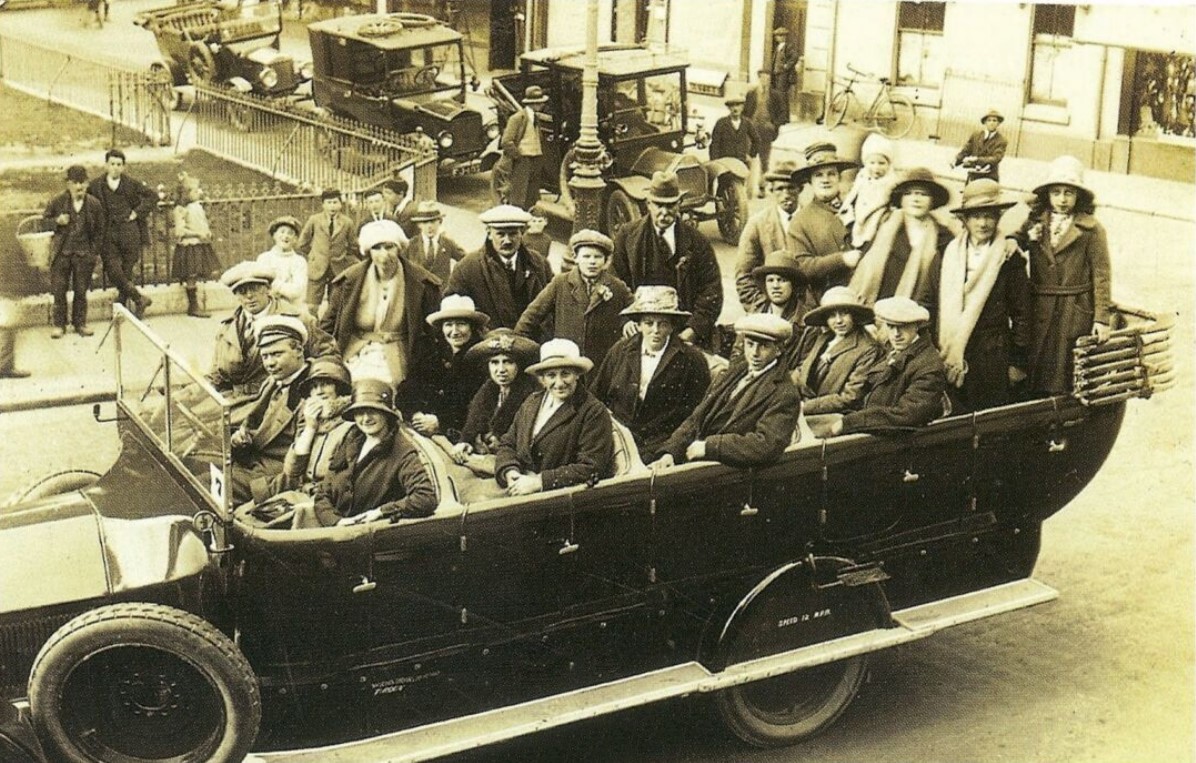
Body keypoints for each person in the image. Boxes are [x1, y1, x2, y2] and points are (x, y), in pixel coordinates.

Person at [1007, 155, 1112, 396]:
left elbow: (1102, 275)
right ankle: (1037, 408)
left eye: (1069, 193)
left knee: (1064, 365)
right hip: (1040, 302)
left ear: (1079, 196)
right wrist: (1013, 241)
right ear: (1047, 196)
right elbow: (1018, 237)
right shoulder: (1037, 221)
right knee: (1037, 358)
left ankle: (1063, 412)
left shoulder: (1091, 230)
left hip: (1073, 307)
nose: (1062, 200)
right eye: (1056, 193)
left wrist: (1101, 318)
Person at [652, 313, 802, 469]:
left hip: (733, 472)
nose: (755, 353)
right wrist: (670, 452)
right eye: (750, 344)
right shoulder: (735, 373)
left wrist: (710, 447)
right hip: (700, 462)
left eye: (763, 346)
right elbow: (697, 418)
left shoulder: (784, 393)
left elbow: (766, 445)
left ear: (778, 350)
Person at [590, 286, 711, 463]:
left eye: (662, 323)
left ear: (672, 326)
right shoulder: (620, 351)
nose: (655, 330)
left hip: (662, 447)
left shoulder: (691, 359)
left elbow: (699, 415)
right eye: (648, 323)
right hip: (618, 441)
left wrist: (671, 450)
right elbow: (596, 396)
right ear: (638, 324)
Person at [938, 179, 1030, 413]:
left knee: (987, 417)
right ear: (965, 220)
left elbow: (1023, 314)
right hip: (952, 349)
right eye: (976, 216)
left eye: (989, 216)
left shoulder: (1009, 258)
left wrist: (1017, 363)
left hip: (992, 354)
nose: (983, 223)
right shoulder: (948, 253)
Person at [208, 262, 335, 424]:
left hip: (272, 401)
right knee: (179, 415)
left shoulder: (297, 320)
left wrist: (313, 392)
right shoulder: (228, 327)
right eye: (242, 291)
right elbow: (215, 374)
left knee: (214, 432)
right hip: (230, 398)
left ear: (268, 289)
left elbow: (327, 358)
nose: (249, 296)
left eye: (254, 288)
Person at [300, 378, 437, 527]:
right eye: (359, 412)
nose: (366, 419)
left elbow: (425, 498)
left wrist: (381, 512)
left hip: (370, 535)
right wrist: (336, 521)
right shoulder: (352, 440)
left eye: (373, 411)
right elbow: (323, 493)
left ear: (386, 413)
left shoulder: (402, 451)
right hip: (336, 529)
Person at [321, 219, 441, 388]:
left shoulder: (422, 283)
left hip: (400, 354)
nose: (383, 255)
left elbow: (433, 331)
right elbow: (328, 324)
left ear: (399, 248)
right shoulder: (350, 280)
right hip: (355, 353)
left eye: (389, 247)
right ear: (368, 251)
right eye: (376, 248)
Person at [611, 171, 723, 347]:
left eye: (670, 205)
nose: (664, 212)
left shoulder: (697, 241)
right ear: (648, 204)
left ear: (679, 204)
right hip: (639, 331)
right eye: (658, 205)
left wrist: (692, 331)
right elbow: (615, 283)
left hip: (683, 334)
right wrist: (625, 321)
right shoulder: (627, 237)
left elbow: (711, 291)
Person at [815, 296, 948, 436]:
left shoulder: (928, 366)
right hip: (869, 428)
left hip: (894, 442)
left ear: (917, 325)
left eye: (903, 327)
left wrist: (850, 423)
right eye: (891, 326)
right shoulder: (892, 351)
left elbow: (907, 415)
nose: (896, 334)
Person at [495, 338, 614, 495]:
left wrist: (540, 482)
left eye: (565, 374)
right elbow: (508, 443)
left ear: (577, 374)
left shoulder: (592, 411)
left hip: (559, 498)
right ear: (542, 379)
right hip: (520, 486)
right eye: (551, 375)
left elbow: (591, 467)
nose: (559, 383)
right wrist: (510, 471)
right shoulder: (532, 402)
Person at [515, 229, 633, 372]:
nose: (592, 262)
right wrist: (519, 350)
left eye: (597, 257)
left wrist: (627, 321)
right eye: (586, 256)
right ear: (575, 257)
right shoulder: (560, 283)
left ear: (606, 261)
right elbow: (531, 316)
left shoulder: (616, 287)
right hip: (566, 364)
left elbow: (636, 311)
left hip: (601, 367)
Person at [848, 167, 955, 315]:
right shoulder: (883, 227)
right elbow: (864, 268)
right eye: (909, 193)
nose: (915, 199)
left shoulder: (943, 238)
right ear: (901, 199)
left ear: (932, 200)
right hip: (873, 313)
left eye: (923, 194)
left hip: (915, 317)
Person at [229, 316, 314, 503]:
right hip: (252, 460)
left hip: (273, 473)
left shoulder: (310, 393)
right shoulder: (273, 382)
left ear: (299, 350)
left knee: (207, 486)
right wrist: (239, 438)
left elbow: (301, 462)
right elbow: (254, 422)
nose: (269, 363)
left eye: (276, 354)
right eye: (265, 356)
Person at [399, 294, 489, 454]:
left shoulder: (481, 359)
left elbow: (479, 405)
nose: (454, 332)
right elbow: (407, 389)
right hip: (421, 428)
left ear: (472, 327)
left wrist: (440, 421)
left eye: (461, 324)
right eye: (449, 325)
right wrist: (416, 414)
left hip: (460, 435)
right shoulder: (431, 354)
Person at [444, 204, 553, 329]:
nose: (507, 241)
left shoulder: (539, 264)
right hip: (486, 345)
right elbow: (453, 314)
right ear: (489, 233)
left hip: (531, 344)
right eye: (500, 234)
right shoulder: (467, 268)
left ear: (522, 233)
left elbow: (552, 309)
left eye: (512, 234)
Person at [789, 142, 864, 317]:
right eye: (819, 175)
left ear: (839, 177)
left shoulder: (858, 207)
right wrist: (841, 260)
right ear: (810, 181)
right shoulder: (801, 221)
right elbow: (802, 267)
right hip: (827, 306)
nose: (826, 179)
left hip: (863, 297)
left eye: (831, 174)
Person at [453, 328, 541, 475]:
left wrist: (498, 443)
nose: (501, 369)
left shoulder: (532, 394)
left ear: (519, 365)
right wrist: (466, 442)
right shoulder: (487, 391)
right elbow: (473, 426)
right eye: (494, 362)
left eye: (508, 362)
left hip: (517, 466)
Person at [792, 286, 883, 415]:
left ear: (854, 315)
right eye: (832, 315)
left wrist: (805, 407)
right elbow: (802, 371)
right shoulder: (824, 338)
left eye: (844, 313)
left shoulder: (867, 349)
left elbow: (851, 397)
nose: (838, 321)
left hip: (833, 416)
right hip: (803, 408)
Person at [88, 148, 156, 317]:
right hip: (108, 233)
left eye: (119, 164)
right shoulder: (96, 185)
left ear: (124, 167)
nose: (115, 168)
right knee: (112, 269)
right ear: (106, 165)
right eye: (112, 164)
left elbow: (152, 196)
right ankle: (139, 299)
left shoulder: (131, 184)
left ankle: (124, 305)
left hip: (129, 231)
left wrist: (137, 212)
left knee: (126, 270)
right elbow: (85, 202)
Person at [275, 356, 355, 492]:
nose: (319, 391)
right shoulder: (312, 420)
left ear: (340, 388)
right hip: (302, 492)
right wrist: (310, 428)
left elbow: (345, 479)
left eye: (326, 384)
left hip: (327, 498)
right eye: (314, 387)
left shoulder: (350, 424)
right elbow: (292, 471)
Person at [44, 164, 104, 338]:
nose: (79, 187)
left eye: (82, 183)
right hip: (62, 253)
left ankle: (80, 324)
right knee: (59, 290)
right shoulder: (58, 201)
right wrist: (57, 221)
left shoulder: (94, 204)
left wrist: (93, 252)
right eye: (75, 183)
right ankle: (59, 325)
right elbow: (43, 222)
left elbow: (100, 230)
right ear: (68, 184)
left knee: (81, 290)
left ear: (87, 183)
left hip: (84, 254)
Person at [734, 159, 800, 312]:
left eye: (791, 188)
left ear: (800, 189)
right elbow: (744, 276)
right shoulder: (757, 224)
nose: (786, 195)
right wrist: (765, 310)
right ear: (771, 190)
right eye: (780, 189)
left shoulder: (811, 220)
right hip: (769, 309)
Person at [729, 252, 807, 370]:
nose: (775, 286)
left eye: (782, 280)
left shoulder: (805, 323)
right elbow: (737, 354)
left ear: (793, 284)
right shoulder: (756, 312)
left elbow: (803, 367)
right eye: (770, 280)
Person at [297, 188, 359, 313]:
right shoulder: (314, 220)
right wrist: (314, 255)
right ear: (323, 204)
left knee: (334, 304)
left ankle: (330, 330)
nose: (332, 206)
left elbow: (353, 246)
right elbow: (302, 243)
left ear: (341, 204)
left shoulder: (347, 223)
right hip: (317, 267)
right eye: (329, 203)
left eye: (335, 202)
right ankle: (313, 328)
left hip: (337, 268)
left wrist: (343, 258)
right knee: (312, 305)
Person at [171, 173, 220, 319]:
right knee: (191, 275)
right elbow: (180, 231)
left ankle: (195, 304)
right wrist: (198, 234)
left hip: (199, 245)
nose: (199, 192)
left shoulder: (197, 206)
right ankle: (193, 306)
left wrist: (207, 232)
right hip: (189, 246)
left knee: (199, 273)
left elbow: (201, 223)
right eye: (195, 190)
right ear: (186, 193)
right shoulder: (180, 209)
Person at [840, 133, 897, 250]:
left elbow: (893, 201)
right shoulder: (862, 175)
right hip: (859, 211)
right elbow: (853, 193)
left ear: (889, 164)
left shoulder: (890, 181)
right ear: (866, 163)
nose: (876, 168)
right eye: (872, 163)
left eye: (882, 163)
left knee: (871, 234)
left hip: (876, 216)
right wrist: (846, 205)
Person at [496, 85, 549, 210]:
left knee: (532, 195)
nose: (542, 105)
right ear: (534, 104)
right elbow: (506, 141)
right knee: (519, 195)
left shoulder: (535, 117)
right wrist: (518, 157)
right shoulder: (517, 118)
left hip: (535, 160)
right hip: (523, 161)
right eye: (540, 103)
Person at [405, 201, 465, 282]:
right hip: (419, 292)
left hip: (442, 292)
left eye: (433, 221)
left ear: (440, 221)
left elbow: (466, 261)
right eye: (425, 222)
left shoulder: (447, 243)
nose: (429, 226)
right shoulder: (411, 244)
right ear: (419, 224)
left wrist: (456, 281)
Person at [256, 216, 308, 311]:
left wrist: (273, 284)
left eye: (290, 233)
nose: (285, 236)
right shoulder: (264, 258)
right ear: (274, 235)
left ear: (295, 238)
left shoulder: (299, 261)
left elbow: (296, 292)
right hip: (268, 309)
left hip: (293, 308)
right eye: (282, 232)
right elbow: (261, 289)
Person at [743, 71, 779, 198]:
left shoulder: (774, 95)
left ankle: (762, 187)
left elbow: (781, 114)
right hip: (752, 132)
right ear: (759, 79)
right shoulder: (751, 93)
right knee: (749, 160)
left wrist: (774, 125)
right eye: (763, 79)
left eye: (768, 79)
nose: (765, 82)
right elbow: (745, 113)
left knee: (764, 161)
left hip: (766, 133)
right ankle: (747, 189)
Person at [953, 109, 1008, 184]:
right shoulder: (976, 135)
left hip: (989, 178)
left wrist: (976, 159)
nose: (992, 123)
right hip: (973, 176)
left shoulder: (1001, 140)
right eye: (989, 120)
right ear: (985, 122)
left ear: (998, 123)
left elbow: (996, 158)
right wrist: (956, 161)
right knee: (969, 194)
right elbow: (966, 150)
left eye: (994, 121)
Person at [708, 94, 759, 168]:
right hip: (724, 164)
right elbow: (714, 144)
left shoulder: (747, 123)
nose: (735, 108)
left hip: (741, 162)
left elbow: (756, 140)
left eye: (738, 105)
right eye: (732, 106)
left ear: (742, 107)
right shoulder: (721, 123)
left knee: (740, 179)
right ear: (728, 108)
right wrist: (715, 162)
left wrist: (751, 155)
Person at [768, 27, 800, 127]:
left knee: (782, 95)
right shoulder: (778, 47)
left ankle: (784, 118)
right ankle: (781, 116)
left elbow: (795, 57)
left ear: (784, 37)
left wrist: (787, 66)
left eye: (779, 36)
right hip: (777, 74)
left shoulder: (788, 47)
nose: (777, 38)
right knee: (778, 95)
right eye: (777, 36)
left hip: (784, 75)